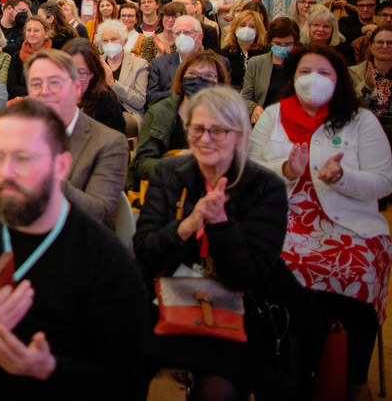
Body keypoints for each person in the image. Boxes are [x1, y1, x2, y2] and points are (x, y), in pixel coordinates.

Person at [0, 99, 146, 400]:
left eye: (24, 159)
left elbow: (127, 382)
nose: (7, 174)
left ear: (61, 166)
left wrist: (48, 369)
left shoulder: (105, 258)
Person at [249, 44, 392, 399]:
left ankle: (352, 379)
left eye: (324, 73)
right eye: (304, 73)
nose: (314, 80)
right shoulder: (272, 115)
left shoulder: (361, 121)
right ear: (292, 78)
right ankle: (285, 369)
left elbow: (383, 181)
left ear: (339, 79)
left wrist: (341, 176)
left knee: (358, 272)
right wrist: (285, 170)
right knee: (270, 268)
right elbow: (249, 173)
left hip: (350, 226)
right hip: (284, 220)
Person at [135, 85, 294, 400]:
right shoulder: (169, 172)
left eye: (217, 131)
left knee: (218, 390)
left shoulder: (266, 187)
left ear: (238, 135)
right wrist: (187, 226)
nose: (205, 139)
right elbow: (145, 248)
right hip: (166, 294)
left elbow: (246, 276)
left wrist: (221, 224)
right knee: (117, 368)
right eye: (197, 129)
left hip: (239, 309)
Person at [0, 49, 129, 226]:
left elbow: (100, 213)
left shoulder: (108, 143)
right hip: (13, 231)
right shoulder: (17, 133)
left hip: (74, 240)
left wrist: (46, 176)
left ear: (77, 88)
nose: (44, 91)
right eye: (36, 84)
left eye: (54, 83)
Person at [129, 50, 229, 186]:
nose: (199, 80)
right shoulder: (159, 111)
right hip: (167, 188)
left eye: (208, 76)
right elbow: (140, 164)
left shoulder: (227, 117)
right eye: (192, 74)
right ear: (182, 78)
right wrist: (176, 163)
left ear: (220, 83)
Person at [146, 15, 230, 108]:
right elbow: (151, 97)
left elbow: (224, 95)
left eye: (187, 32)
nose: (182, 36)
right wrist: (181, 92)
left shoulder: (219, 62)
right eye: (178, 33)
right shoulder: (159, 63)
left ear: (200, 36)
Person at [64, 38, 126, 136]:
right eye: (69, 71)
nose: (74, 79)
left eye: (82, 73)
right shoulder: (52, 99)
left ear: (93, 73)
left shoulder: (106, 102)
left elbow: (116, 145)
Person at [95, 19, 149, 128]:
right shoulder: (96, 63)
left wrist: (113, 84)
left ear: (124, 42)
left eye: (114, 39)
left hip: (127, 113)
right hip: (99, 112)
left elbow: (139, 101)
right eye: (105, 41)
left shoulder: (139, 64)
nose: (110, 43)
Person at [7, 16, 57, 98]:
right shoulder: (17, 56)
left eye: (36, 30)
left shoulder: (55, 57)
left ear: (46, 34)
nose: (31, 34)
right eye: (28, 30)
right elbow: (12, 88)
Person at [218, 9, 269, 90]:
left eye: (252, 26)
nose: (247, 29)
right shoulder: (225, 53)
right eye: (242, 25)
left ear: (258, 31)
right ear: (234, 28)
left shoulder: (266, 53)